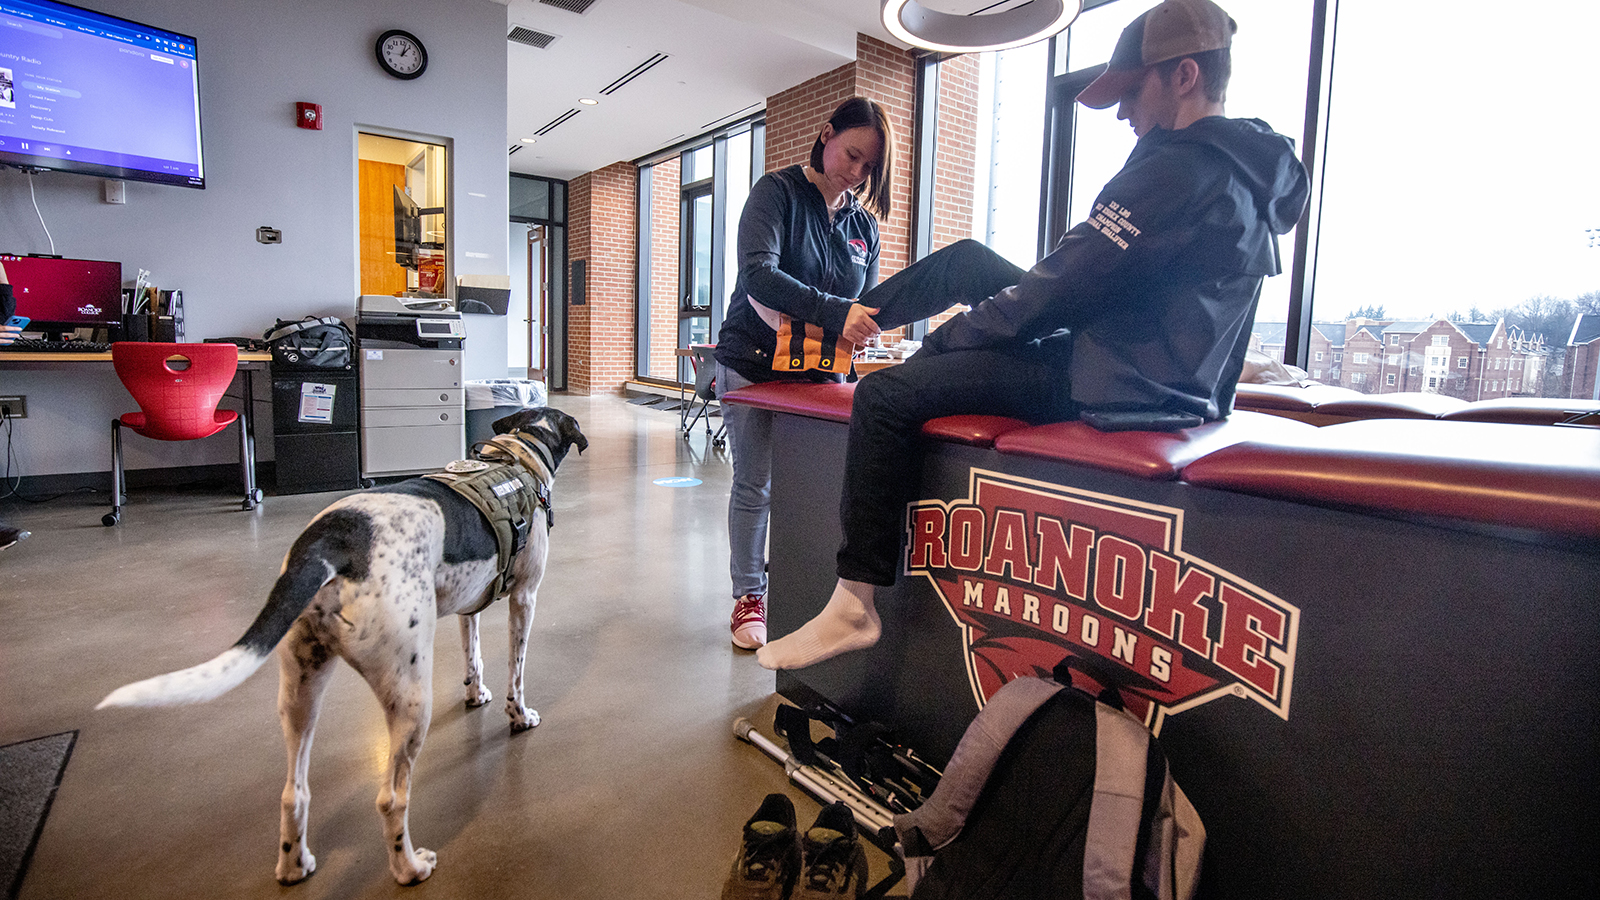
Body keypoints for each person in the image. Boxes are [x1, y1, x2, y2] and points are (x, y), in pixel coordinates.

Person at [757, 0, 1311, 671]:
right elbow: (1086, 280)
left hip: (1113, 385)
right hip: (1155, 370)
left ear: (1184, 75)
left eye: (1132, 93)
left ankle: (854, 603)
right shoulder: (1247, 169)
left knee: (888, 396)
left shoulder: (1174, 168)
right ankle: (846, 321)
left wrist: (950, 341)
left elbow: (1062, 286)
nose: (1123, 114)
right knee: (967, 262)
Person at [715, 98, 1027, 650]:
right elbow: (758, 276)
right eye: (853, 156)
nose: (857, 174)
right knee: (755, 483)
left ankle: (818, 592)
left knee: (827, 483)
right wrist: (839, 313)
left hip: (821, 369)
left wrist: (866, 325)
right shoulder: (777, 193)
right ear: (825, 133)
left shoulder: (863, 224)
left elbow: (864, 302)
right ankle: (748, 594)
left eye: (869, 168)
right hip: (753, 364)